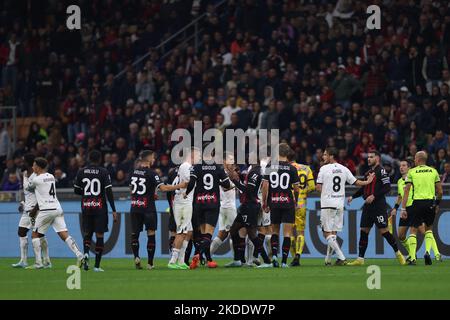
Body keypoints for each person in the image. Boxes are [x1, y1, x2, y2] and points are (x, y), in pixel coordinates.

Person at [316, 147, 374, 266]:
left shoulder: (324, 168)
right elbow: (355, 182)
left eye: (325, 155)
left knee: (326, 233)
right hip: (339, 204)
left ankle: (341, 257)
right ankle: (328, 260)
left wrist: (324, 193)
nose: (323, 157)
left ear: (332, 156)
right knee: (333, 233)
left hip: (327, 204)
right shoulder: (344, 169)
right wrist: (367, 182)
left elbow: (318, 187)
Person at [347, 151, 406, 266]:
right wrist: (352, 197)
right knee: (364, 231)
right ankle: (360, 259)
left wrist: (374, 196)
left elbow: (387, 187)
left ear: (377, 158)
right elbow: (363, 189)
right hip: (368, 207)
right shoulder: (368, 173)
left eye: (371, 157)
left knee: (384, 231)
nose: (368, 159)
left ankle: (399, 253)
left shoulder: (382, 171)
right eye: (368, 157)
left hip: (378, 206)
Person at [129, 150, 185, 270]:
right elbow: (164, 188)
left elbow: (132, 189)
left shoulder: (133, 172)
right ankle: (150, 263)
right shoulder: (152, 173)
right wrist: (179, 186)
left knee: (135, 233)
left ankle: (136, 257)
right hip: (148, 208)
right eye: (153, 158)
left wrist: (147, 194)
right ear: (149, 159)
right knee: (151, 233)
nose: (154, 160)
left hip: (135, 206)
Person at [26, 157, 84, 269]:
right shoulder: (51, 176)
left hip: (46, 210)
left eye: (34, 165)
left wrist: (31, 176)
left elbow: (29, 188)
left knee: (35, 235)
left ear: (38, 167)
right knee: (64, 234)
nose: (32, 167)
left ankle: (38, 263)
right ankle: (79, 254)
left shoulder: (36, 180)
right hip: (57, 208)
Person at [186, 148, 231, 269]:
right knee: (208, 234)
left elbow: (191, 183)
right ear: (212, 154)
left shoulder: (196, 167)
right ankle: (198, 255)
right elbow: (227, 184)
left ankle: (208, 260)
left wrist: (186, 193)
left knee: (202, 234)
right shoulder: (218, 167)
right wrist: (218, 182)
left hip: (199, 203)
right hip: (212, 203)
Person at [225, 152, 272, 268]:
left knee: (252, 235)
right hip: (246, 206)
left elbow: (249, 191)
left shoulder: (255, 173)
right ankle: (237, 260)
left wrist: (235, 181)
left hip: (251, 206)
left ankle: (267, 261)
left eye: (250, 156)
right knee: (233, 231)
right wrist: (239, 177)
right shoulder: (254, 171)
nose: (247, 157)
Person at [74, 150, 117, 272]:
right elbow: (108, 192)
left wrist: (87, 194)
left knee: (87, 233)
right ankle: (97, 266)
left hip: (86, 206)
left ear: (89, 158)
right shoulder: (103, 172)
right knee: (100, 235)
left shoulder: (81, 171)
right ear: (99, 159)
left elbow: (76, 190)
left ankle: (86, 253)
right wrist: (114, 210)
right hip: (99, 208)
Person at [261, 143, 300, 268]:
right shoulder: (292, 168)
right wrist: (296, 200)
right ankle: (284, 262)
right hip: (287, 202)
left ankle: (274, 258)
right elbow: (297, 188)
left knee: (274, 231)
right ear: (288, 153)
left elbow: (265, 186)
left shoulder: (270, 165)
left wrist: (264, 202)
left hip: (274, 202)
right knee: (287, 233)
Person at [401, 151, 443, 265]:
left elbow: (407, 191)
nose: (414, 160)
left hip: (417, 203)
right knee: (429, 229)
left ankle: (413, 257)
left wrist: (403, 208)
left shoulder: (412, 172)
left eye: (414, 158)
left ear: (418, 159)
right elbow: (440, 191)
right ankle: (428, 252)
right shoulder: (433, 171)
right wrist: (437, 204)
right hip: (430, 203)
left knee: (413, 230)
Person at [12, 154, 51, 269]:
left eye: (23, 161)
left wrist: (37, 208)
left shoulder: (37, 176)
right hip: (26, 209)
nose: (21, 163)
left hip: (35, 210)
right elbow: (26, 192)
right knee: (21, 232)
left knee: (39, 235)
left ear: (29, 163)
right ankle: (23, 261)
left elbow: (41, 193)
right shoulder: (24, 174)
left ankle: (46, 260)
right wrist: (22, 203)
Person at [167, 147, 199, 269]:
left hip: (184, 202)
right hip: (183, 203)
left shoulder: (184, 166)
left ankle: (180, 261)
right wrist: (187, 192)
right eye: (198, 154)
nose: (199, 157)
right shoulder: (187, 166)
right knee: (181, 232)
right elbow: (190, 182)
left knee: (189, 232)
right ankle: (172, 261)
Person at [287, 149, 315, 266]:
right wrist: (303, 192)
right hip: (301, 204)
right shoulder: (306, 168)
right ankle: (298, 255)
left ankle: (293, 258)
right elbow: (312, 186)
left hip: (288, 202)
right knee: (300, 232)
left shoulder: (286, 169)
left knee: (289, 232)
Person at [210, 153, 237, 258]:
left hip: (223, 206)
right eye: (230, 159)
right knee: (236, 233)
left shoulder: (227, 172)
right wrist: (237, 184)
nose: (233, 161)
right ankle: (237, 259)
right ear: (224, 160)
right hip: (228, 207)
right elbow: (226, 188)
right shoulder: (223, 173)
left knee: (222, 234)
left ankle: (207, 255)